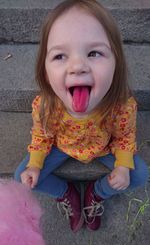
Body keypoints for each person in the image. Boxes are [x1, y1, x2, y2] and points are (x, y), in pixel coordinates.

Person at [15, 0, 148, 232]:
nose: (78, 66)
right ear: (45, 72)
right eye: (59, 56)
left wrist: (124, 166)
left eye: (94, 53)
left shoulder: (121, 106)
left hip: (103, 147)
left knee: (140, 175)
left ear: (116, 63)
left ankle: (96, 193)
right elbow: (41, 136)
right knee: (21, 177)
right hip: (61, 146)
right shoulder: (46, 106)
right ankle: (66, 193)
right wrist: (35, 166)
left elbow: (125, 136)